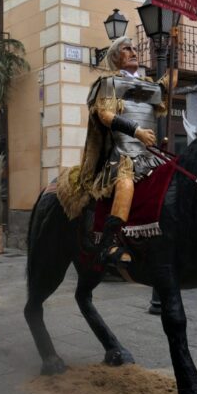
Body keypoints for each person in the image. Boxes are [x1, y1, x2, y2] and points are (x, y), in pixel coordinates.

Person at [77, 35, 174, 267]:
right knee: (126, 184)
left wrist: (175, 51)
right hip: (122, 156)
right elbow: (105, 115)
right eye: (127, 49)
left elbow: (170, 83)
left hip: (151, 157)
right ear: (115, 57)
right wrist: (137, 131)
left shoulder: (149, 85)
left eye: (134, 48)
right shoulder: (108, 83)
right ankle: (111, 242)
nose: (133, 52)